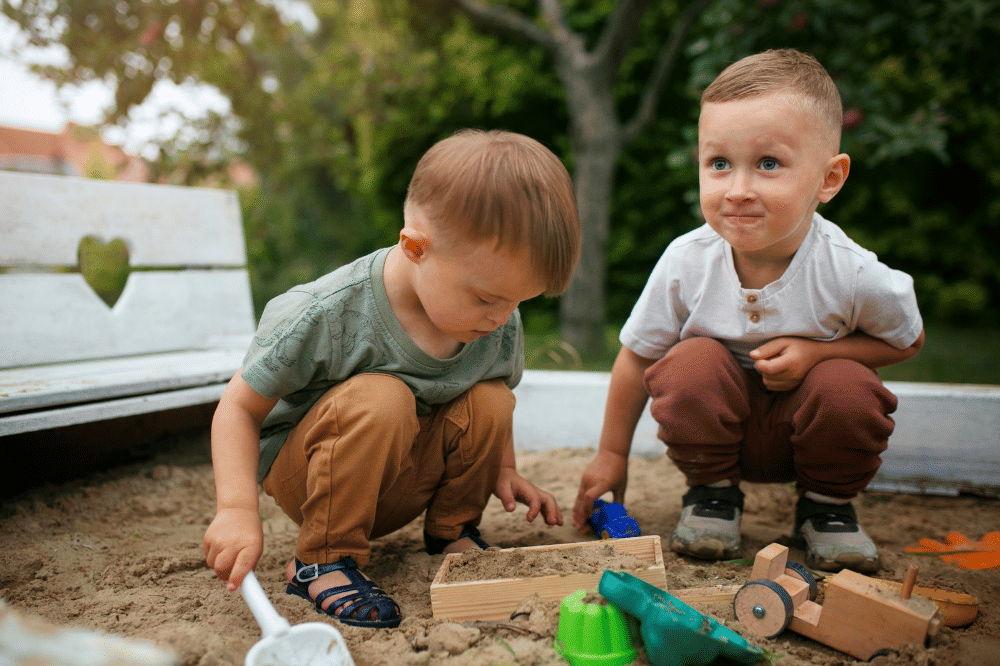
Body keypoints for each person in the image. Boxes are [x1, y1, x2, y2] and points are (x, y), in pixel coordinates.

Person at [204, 129, 581, 628]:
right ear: (415, 247)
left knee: (491, 399)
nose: (502, 316)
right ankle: (321, 560)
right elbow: (238, 409)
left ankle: (452, 533)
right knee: (382, 397)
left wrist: (504, 469)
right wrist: (235, 508)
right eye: (488, 298)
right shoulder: (325, 314)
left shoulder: (495, 320)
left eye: (519, 301)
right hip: (316, 475)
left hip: (403, 476)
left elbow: (491, 392)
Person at [572, 49, 924, 574]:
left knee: (847, 384)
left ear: (829, 179)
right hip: (712, 445)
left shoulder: (849, 270)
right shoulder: (687, 261)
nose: (737, 190)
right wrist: (611, 455)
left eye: (768, 164)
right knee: (688, 361)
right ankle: (713, 499)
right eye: (719, 164)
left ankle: (826, 509)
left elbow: (907, 339)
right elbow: (636, 357)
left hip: (808, 438)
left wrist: (817, 353)